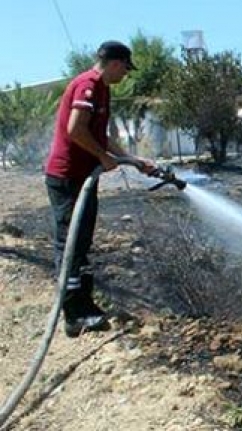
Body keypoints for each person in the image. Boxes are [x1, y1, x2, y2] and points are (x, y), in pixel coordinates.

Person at [44, 40, 156, 337]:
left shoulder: (103, 89)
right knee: (70, 244)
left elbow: (99, 135)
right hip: (67, 177)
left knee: (81, 244)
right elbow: (75, 129)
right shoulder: (88, 85)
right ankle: (73, 315)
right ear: (116, 63)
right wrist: (103, 157)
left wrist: (132, 159)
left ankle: (85, 306)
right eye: (125, 69)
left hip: (82, 177)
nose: (125, 76)